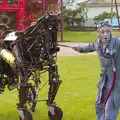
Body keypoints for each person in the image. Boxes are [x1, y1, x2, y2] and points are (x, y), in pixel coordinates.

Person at [72, 21, 120, 120]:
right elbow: (88, 47)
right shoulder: (97, 43)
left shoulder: (117, 42)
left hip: (116, 83)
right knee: (99, 106)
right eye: (102, 32)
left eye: (108, 31)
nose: (105, 34)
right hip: (103, 82)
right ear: (98, 32)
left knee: (110, 109)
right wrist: (77, 48)